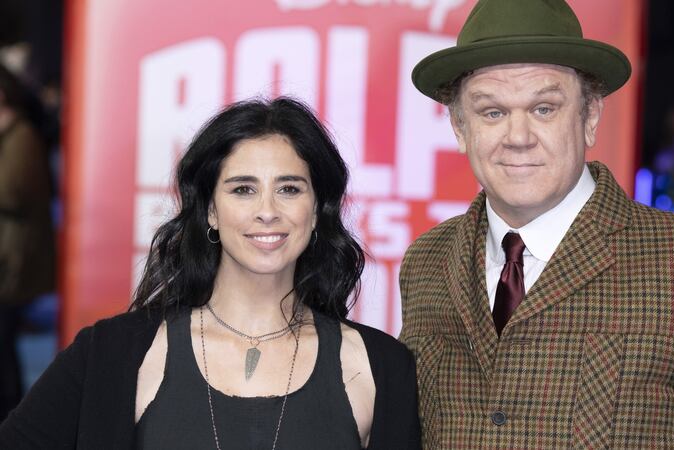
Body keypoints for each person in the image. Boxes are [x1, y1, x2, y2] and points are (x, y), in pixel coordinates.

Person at [398, 0, 674, 448]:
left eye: (544, 109)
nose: (517, 137)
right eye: (492, 112)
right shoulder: (427, 261)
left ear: (590, 117)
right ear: (459, 127)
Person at [0, 97, 421, 449]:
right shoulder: (113, 353)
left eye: (289, 188)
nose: (267, 211)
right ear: (210, 211)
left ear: (317, 212)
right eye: (243, 189)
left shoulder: (379, 367)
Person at [0, 63, 55, 422]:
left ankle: (12, 416)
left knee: (4, 346)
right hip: (9, 255)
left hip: (14, 260)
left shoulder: (22, 136)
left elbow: (15, 192)